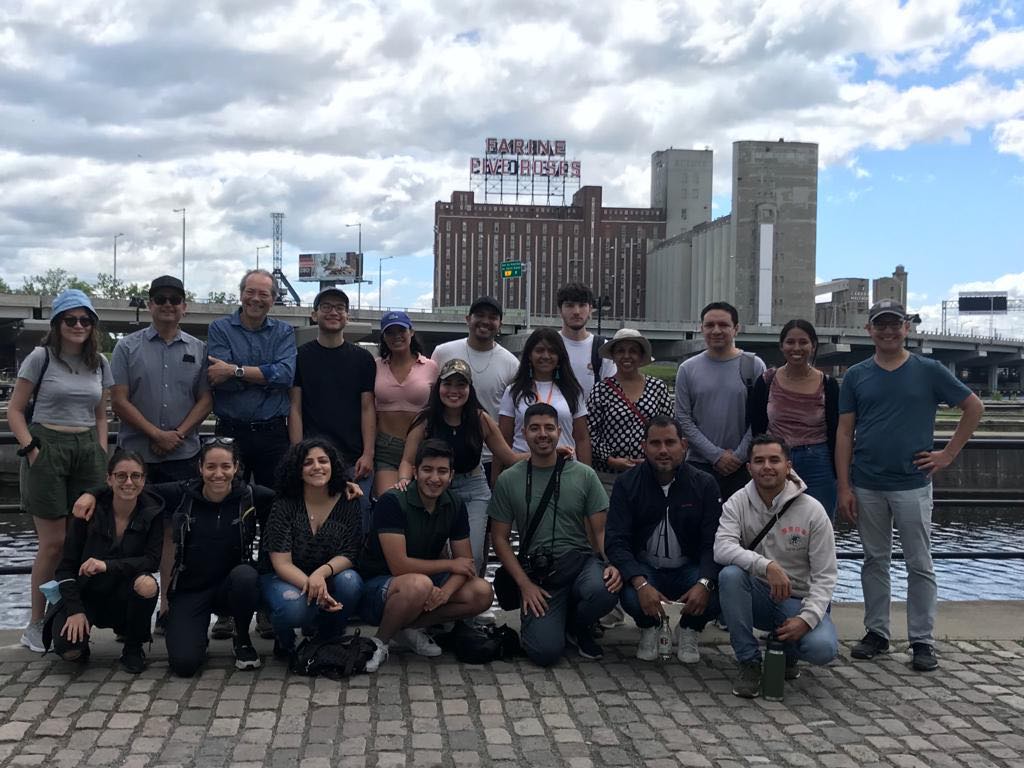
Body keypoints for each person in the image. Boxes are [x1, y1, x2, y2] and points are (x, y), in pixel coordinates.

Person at [836, 300, 984, 672]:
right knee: (875, 560)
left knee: (920, 563)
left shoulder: (929, 370)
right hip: (867, 482)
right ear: (869, 330)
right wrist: (844, 486)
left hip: (912, 483)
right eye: (880, 325)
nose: (888, 331)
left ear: (907, 327)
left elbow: (974, 407)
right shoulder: (856, 375)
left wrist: (947, 454)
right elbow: (845, 432)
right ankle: (877, 632)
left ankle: (922, 639)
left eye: (894, 324)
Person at [71, 437, 277, 675]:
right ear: (200, 467)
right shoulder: (183, 493)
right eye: (211, 467)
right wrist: (92, 493)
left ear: (236, 467)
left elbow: (288, 497)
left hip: (231, 585)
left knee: (246, 576)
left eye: (225, 466)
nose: (218, 474)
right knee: (184, 664)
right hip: (191, 588)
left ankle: (242, 638)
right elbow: (134, 488)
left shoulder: (250, 495)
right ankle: (196, 636)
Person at [8, 289, 113, 653]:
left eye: (85, 320)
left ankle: (69, 615)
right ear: (57, 323)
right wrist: (32, 450)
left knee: (81, 539)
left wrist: (101, 451)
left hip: (86, 448)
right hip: (48, 444)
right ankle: (36, 623)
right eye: (71, 319)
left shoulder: (99, 362)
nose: (78, 326)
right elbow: (15, 410)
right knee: (52, 544)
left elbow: (101, 414)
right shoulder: (41, 357)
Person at [110, 274, 213, 629]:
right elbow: (119, 400)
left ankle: (167, 605)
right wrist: (155, 433)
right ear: (150, 304)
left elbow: (206, 399)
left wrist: (177, 435)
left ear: (184, 306)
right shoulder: (126, 347)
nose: (168, 305)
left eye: (174, 299)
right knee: (128, 529)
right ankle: (131, 610)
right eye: (160, 299)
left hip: (183, 455)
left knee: (174, 533)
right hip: (136, 456)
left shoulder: (199, 349)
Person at [489, 403, 621, 665]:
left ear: (559, 432)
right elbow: (499, 538)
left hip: (579, 562)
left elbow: (601, 530)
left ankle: (578, 625)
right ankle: (556, 621)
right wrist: (524, 585)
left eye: (549, 428)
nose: (543, 434)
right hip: (539, 573)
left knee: (604, 588)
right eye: (535, 428)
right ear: (524, 433)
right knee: (544, 652)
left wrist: (612, 563)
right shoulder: (509, 479)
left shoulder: (584, 475)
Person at [714, 435, 839, 698]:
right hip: (757, 594)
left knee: (822, 648)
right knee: (730, 575)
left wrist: (806, 619)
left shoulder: (813, 510)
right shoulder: (737, 502)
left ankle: (788, 653)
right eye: (759, 461)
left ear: (788, 466)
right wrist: (766, 566)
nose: (767, 467)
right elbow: (722, 548)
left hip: (797, 599)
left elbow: (825, 575)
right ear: (749, 468)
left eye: (774, 460)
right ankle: (748, 661)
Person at [359, 439, 494, 672]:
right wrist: (449, 565)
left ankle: (406, 627)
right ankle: (380, 641)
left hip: (424, 582)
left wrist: (445, 593)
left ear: (451, 475)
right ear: (415, 472)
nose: (434, 478)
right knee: (419, 585)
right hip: (378, 587)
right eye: (427, 470)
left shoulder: (454, 504)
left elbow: (465, 564)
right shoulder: (392, 501)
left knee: (482, 592)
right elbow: (399, 566)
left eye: (442, 471)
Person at [605, 415, 722, 663]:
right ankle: (649, 626)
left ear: (684, 445)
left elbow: (713, 542)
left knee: (717, 591)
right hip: (646, 567)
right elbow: (616, 541)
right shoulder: (627, 483)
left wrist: (704, 582)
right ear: (644, 447)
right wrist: (640, 583)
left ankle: (689, 627)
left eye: (670, 442)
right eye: (655, 443)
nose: (663, 451)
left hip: (688, 568)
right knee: (630, 596)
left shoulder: (705, 484)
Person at [396, 359, 527, 576]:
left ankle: (470, 593)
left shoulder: (480, 419)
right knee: (438, 553)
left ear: (470, 389)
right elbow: (407, 461)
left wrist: (549, 455)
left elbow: (510, 457)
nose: (454, 391)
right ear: (438, 387)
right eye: (448, 384)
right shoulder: (425, 419)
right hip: (433, 487)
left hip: (473, 486)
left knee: (472, 556)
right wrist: (403, 480)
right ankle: (440, 593)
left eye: (461, 385)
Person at [47, 450, 162, 674]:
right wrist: (75, 610)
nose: (128, 482)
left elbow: (152, 561)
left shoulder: (153, 512)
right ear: (109, 479)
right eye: (121, 476)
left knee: (148, 585)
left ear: (144, 480)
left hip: (124, 593)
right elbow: (65, 568)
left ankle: (133, 646)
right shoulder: (86, 512)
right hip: (86, 593)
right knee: (69, 652)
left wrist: (107, 565)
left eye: (136, 476)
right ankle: (81, 639)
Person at [260, 439, 365, 658]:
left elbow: (349, 553)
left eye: (323, 461)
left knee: (350, 582)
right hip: (285, 577)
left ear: (333, 465)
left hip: (327, 575)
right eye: (308, 463)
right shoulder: (284, 504)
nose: (317, 467)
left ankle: (326, 637)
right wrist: (315, 587)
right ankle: (285, 641)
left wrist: (320, 574)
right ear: (297, 470)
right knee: (293, 607)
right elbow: (281, 563)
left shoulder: (349, 500)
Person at [289, 286, 376, 522]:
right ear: (314, 315)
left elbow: (368, 408)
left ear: (348, 316)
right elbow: (295, 408)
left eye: (340, 308)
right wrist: (298, 453)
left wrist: (368, 453)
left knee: (357, 522)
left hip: (354, 459)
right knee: (313, 522)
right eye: (326, 307)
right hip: (313, 458)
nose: (333, 312)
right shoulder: (299, 357)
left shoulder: (363, 359)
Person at [207, 269, 296, 488]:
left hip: (273, 435)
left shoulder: (284, 332)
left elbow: (285, 375)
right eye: (250, 292)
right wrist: (266, 377)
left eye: (263, 294)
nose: (256, 299)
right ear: (241, 294)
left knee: (275, 499)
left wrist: (234, 370)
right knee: (227, 497)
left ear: (273, 299)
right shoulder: (219, 328)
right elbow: (221, 380)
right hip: (230, 433)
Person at [748, 319, 840, 518]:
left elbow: (836, 431)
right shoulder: (767, 381)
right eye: (790, 342)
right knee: (774, 521)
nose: (796, 348)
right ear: (781, 346)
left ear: (813, 346)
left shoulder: (828, 384)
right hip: (775, 460)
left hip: (818, 463)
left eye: (803, 342)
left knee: (818, 522)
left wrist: (840, 474)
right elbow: (757, 427)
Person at [675, 301, 765, 502]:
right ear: (701, 328)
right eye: (710, 325)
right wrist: (715, 455)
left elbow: (760, 417)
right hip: (699, 464)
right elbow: (683, 419)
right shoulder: (687, 369)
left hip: (744, 465)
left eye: (723, 325)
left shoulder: (753, 365)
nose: (716, 330)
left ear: (736, 329)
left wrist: (739, 456)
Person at [430, 296, 519, 479]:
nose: (485, 321)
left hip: (489, 456)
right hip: (440, 455)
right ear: (468, 319)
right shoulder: (442, 352)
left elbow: (511, 417)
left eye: (492, 317)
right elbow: (431, 399)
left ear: (500, 324)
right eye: (479, 315)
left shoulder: (511, 364)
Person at [498, 328, 591, 469]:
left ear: (560, 356)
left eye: (552, 351)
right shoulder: (513, 391)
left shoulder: (573, 391)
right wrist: (496, 477)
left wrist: (587, 475)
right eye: (539, 350)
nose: (546, 356)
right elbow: (504, 438)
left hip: (565, 469)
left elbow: (582, 438)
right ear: (529, 355)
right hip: (523, 469)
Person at [587, 328, 673, 474]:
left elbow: (668, 428)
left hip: (650, 471)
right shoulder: (600, 390)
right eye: (620, 351)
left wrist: (654, 457)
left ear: (641, 355)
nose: (626, 356)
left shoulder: (657, 387)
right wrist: (609, 459)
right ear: (613, 355)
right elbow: (590, 432)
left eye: (633, 351)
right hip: (609, 472)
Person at [373, 311, 438, 497]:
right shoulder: (375, 366)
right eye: (390, 332)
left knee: (418, 502)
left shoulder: (431, 367)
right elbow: (367, 408)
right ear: (383, 337)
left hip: (421, 446)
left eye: (401, 330)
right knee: (389, 500)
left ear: (411, 332)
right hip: (385, 446)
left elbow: (439, 406)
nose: (396, 336)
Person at [557, 283, 616, 398]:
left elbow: (612, 395)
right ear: (560, 310)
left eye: (582, 305)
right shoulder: (549, 346)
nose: (576, 311)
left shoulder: (603, 349)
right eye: (570, 305)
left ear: (590, 310)